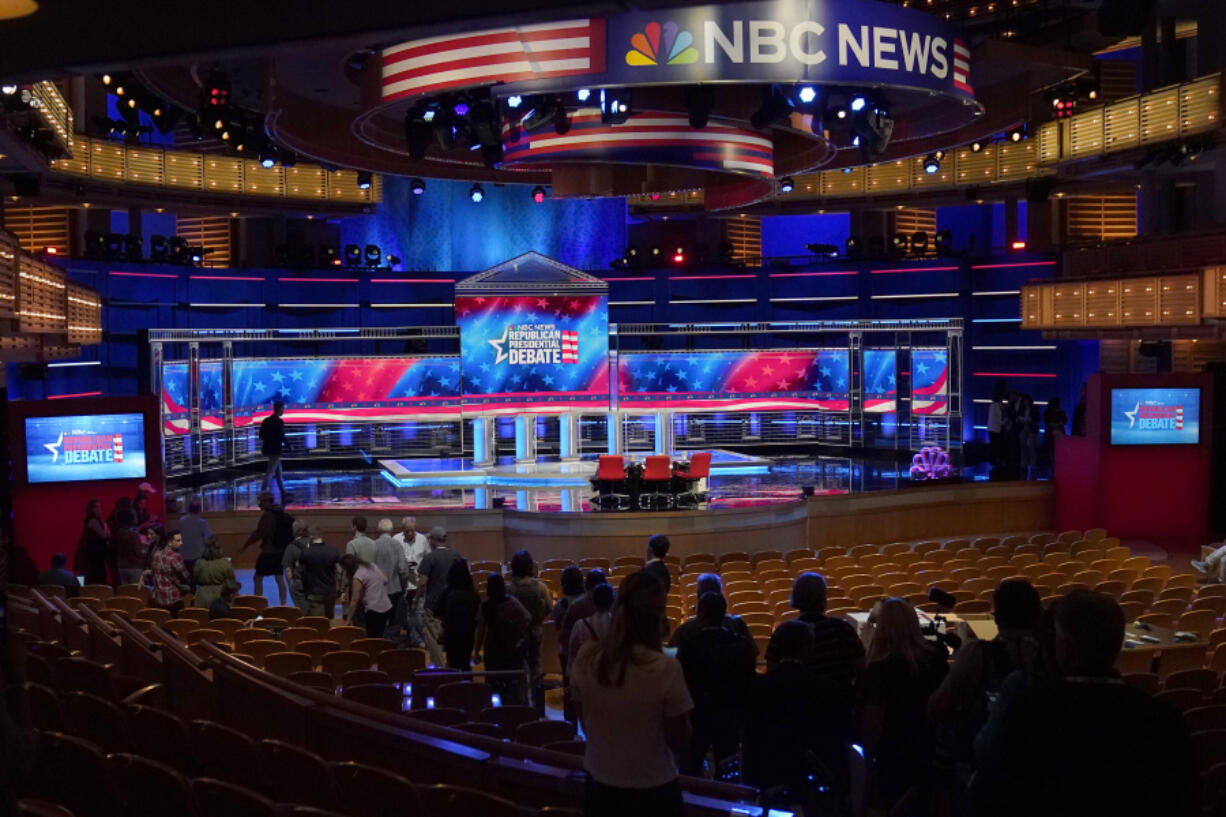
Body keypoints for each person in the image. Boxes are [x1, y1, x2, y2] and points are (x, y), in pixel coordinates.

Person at [970, 590, 1197, 817]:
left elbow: (991, 771)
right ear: (1117, 646)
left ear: (1065, 647)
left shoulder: (1030, 708)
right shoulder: (1165, 720)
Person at [569, 571, 692, 817]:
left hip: (600, 790)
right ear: (657, 615)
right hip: (654, 793)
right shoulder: (666, 667)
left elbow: (583, 719)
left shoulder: (586, 658)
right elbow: (680, 739)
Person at [928, 579, 1042, 773]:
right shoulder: (1050, 654)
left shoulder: (977, 653)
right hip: (1038, 757)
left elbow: (937, 708)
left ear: (996, 615)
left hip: (983, 761)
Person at [858, 597, 949, 815]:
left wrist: (867, 768)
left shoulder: (879, 669)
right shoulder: (935, 661)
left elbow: (873, 725)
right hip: (931, 750)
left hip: (894, 755)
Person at [676, 592, 756, 776]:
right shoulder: (741, 644)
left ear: (701, 614)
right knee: (727, 767)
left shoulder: (689, 646)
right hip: (730, 714)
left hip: (699, 714)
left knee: (693, 767)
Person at [743, 620, 820, 801]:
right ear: (808, 647)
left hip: (766, 766)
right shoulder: (820, 686)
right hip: (804, 768)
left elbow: (750, 732)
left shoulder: (759, 685)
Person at [475, 572, 533, 705]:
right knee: (512, 680)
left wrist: (477, 650)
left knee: (493, 683)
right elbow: (528, 617)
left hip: (492, 648)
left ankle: (495, 710)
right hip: (510, 646)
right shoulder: (512, 601)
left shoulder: (485, 606)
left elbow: (481, 631)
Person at [668, 573, 757, 658]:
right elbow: (752, 653)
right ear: (721, 595)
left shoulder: (685, 630)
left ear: (699, 596)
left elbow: (671, 658)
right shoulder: (738, 625)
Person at [508, 549, 552, 710]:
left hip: (517, 633)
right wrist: (539, 618)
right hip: (536, 630)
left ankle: (522, 705)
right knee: (536, 667)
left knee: (519, 668)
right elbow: (549, 607)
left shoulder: (510, 588)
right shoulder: (540, 586)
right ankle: (538, 705)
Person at [239, 492, 293, 604]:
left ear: (267, 501)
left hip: (269, 551)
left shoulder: (268, 516)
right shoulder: (280, 512)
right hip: (281, 550)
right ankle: (283, 604)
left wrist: (245, 546)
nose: (259, 504)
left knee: (257, 577)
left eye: (261, 501)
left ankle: (258, 603)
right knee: (279, 577)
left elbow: (258, 534)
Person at [417, 526, 461, 665]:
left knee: (434, 638)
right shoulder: (456, 556)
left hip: (433, 605)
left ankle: (439, 668)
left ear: (432, 540)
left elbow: (423, 582)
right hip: (453, 604)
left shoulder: (430, 557)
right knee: (453, 636)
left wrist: (416, 597)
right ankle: (452, 667)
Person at [436, 558, 481, 670]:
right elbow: (479, 614)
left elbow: (437, 611)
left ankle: (453, 686)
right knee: (465, 662)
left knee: (453, 663)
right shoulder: (473, 592)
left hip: (451, 633)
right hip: (468, 633)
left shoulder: (447, 591)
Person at [395, 516, 430, 648]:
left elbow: (428, 558)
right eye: (407, 531)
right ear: (402, 529)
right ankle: (415, 638)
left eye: (412, 531)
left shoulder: (422, 539)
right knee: (406, 613)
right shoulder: (396, 540)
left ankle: (417, 638)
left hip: (418, 582)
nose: (410, 533)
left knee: (419, 612)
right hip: (402, 584)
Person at [373, 518, 410, 639]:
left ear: (379, 530)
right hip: (395, 589)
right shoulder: (397, 544)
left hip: (377, 591)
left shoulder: (374, 545)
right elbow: (403, 569)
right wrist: (404, 586)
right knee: (394, 622)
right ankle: (392, 649)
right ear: (392, 529)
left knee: (379, 622)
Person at [567, 582, 614, 675]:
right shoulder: (619, 625)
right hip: (612, 672)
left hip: (587, 673)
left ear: (594, 601)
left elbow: (572, 654)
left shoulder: (581, 625)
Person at [340, 554, 393, 638]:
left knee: (371, 638)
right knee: (381, 636)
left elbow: (354, 600)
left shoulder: (358, 576)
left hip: (373, 609)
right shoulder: (372, 566)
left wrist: (348, 619)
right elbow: (385, 580)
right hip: (386, 606)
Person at [298, 528, 340, 618]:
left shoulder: (306, 552)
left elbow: (300, 571)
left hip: (314, 593)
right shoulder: (333, 551)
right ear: (323, 536)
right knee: (329, 621)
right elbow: (339, 571)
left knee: (318, 624)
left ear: (311, 537)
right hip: (330, 593)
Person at [149, 530, 192, 616]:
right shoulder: (175, 556)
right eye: (178, 540)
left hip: (159, 598)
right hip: (173, 598)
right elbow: (185, 576)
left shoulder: (156, 554)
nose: (181, 543)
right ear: (169, 543)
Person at [193, 538, 237, 611]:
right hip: (221, 597)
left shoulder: (199, 563)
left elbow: (195, 579)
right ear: (219, 549)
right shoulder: (225, 563)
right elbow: (231, 582)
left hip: (202, 597)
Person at [259, 399, 288, 501]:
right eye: (283, 409)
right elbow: (281, 436)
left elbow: (261, 435)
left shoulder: (266, 420)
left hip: (267, 448)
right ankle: (263, 492)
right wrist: (289, 445)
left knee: (278, 471)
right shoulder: (279, 422)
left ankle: (283, 491)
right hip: (275, 450)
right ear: (279, 409)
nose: (283, 411)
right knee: (270, 472)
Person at [281, 518, 311, 611]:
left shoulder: (291, 547)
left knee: (303, 613)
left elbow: (288, 570)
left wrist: (291, 585)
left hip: (300, 584)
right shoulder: (315, 543)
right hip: (317, 583)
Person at [176, 500, 212, 576]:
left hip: (184, 552)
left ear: (188, 509)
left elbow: (178, 535)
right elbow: (208, 536)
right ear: (199, 510)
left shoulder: (181, 521)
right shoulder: (202, 522)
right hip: (198, 553)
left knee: (187, 574)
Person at [111, 508, 146, 586]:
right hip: (134, 567)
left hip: (121, 567)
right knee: (137, 594)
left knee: (125, 594)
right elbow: (138, 551)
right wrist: (147, 551)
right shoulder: (133, 534)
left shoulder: (117, 533)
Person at [80, 499, 110, 586]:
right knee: (98, 574)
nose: (99, 509)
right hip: (95, 553)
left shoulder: (96, 520)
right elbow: (104, 535)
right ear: (92, 509)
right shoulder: (93, 520)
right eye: (96, 507)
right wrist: (107, 530)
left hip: (97, 553)